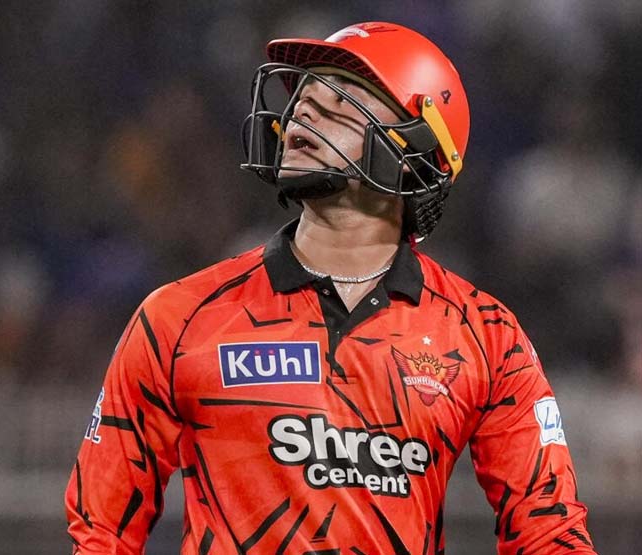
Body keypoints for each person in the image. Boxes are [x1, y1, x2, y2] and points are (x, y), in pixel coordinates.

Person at [65, 22, 595, 555]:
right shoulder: (177, 318)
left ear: (416, 146)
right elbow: (101, 531)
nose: (304, 109)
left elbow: (550, 534)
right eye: (305, 93)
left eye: (343, 98)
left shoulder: (487, 335)